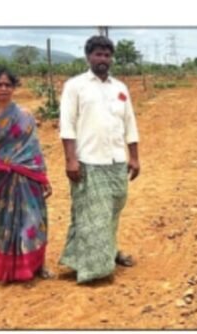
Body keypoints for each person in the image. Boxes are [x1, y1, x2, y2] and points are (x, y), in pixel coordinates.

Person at [58, 35, 140, 284]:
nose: (103, 59)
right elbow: (67, 126)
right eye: (98, 54)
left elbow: (130, 123)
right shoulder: (75, 86)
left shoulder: (120, 88)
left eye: (107, 55)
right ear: (88, 56)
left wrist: (134, 157)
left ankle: (109, 252)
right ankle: (95, 269)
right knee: (92, 215)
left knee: (114, 209)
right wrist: (71, 160)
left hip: (116, 160)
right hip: (89, 161)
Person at [0, 66, 53, 283]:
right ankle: (9, 271)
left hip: (29, 177)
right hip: (1, 180)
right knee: (6, 226)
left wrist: (42, 177)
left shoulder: (24, 115)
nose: (4, 89)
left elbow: (33, 149)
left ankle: (38, 266)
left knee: (35, 222)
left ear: (14, 87)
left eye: (8, 84)